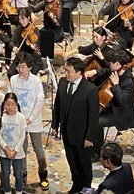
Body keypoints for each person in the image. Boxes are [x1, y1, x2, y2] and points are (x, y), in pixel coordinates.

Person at [52, 57, 99, 194]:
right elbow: (58, 105)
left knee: (84, 165)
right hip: (67, 133)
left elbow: (93, 116)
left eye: (69, 71)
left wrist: (89, 137)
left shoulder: (90, 90)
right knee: (72, 162)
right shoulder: (62, 83)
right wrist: (55, 125)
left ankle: (86, 189)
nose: (66, 74)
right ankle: (76, 186)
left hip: (82, 136)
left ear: (79, 72)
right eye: (65, 71)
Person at [8, 52, 49, 189]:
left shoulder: (36, 81)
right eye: (19, 67)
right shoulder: (14, 79)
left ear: (29, 67)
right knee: (21, 149)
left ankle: (43, 174)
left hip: (34, 121)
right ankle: (22, 173)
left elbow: (40, 101)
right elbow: (10, 98)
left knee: (38, 148)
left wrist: (30, 119)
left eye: (23, 67)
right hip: (19, 120)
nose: (21, 70)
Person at [92, 48, 134, 160]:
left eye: (111, 63)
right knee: (93, 115)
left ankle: (96, 153)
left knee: (96, 122)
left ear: (117, 63)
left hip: (124, 115)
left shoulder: (128, 81)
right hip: (115, 107)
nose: (109, 65)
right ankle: (94, 140)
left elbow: (123, 101)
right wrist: (95, 72)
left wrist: (116, 85)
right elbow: (107, 70)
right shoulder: (117, 71)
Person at [0, 92, 27, 194]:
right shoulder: (0, 116)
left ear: (16, 105)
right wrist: (5, 148)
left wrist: (15, 151)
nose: (10, 107)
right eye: (7, 104)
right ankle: (7, 191)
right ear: (4, 104)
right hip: (4, 152)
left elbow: (23, 136)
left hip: (17, 153)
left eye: (12, 105)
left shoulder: (21, 118)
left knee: (18, 174)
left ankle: (19, 191)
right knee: (5, 173)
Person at [7, 9, 43, 78]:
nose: (21, 22)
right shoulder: (19, 29)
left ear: (28, 18)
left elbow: (37, 45)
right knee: (10, 73)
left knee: (28, 77)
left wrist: (34, 47)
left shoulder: (35, 30)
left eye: (23, 19)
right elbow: (11, 41)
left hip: (32, 58)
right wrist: (13, 47)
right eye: (20, 20)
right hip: (21, 57)